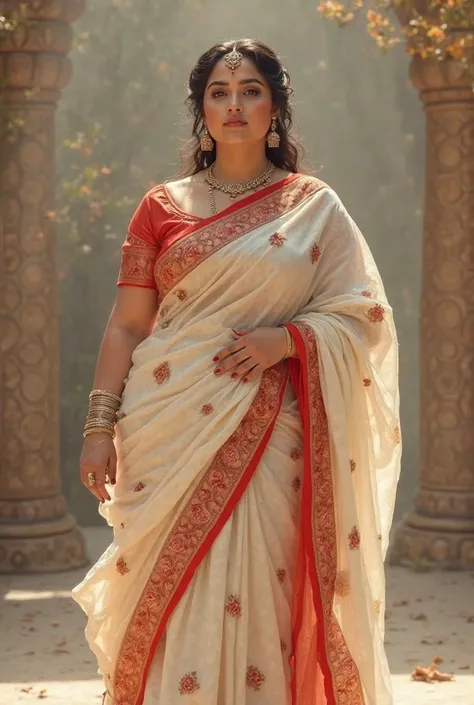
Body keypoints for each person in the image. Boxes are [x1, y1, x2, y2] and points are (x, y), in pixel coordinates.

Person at [72, 38, 401, 705]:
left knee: (262, 589)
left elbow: (364, 316)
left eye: (250, 90)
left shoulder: (313, 207)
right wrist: (99, 424)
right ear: (201, 110)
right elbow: (129, 325)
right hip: (165, 430)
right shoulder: (160, 207)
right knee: (171, 590)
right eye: (219, 93)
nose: (235, 105)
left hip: (272, 435)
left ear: (275, 105)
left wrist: (289, 339)